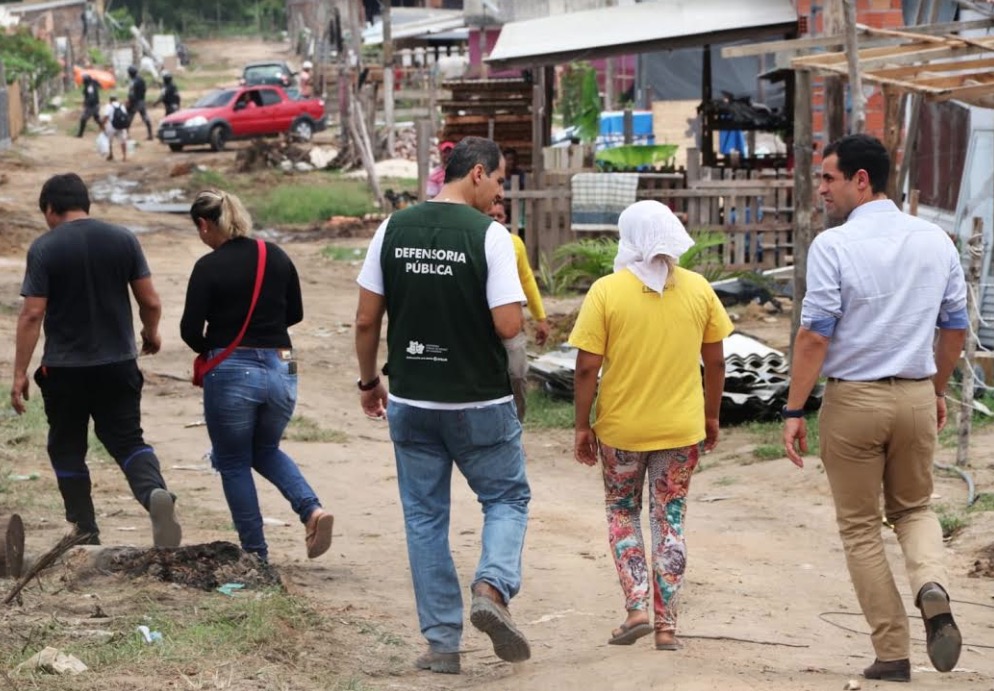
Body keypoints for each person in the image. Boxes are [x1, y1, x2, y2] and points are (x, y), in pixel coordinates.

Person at [782, 133, 966, 683]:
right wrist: (936, 388)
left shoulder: (834, 245)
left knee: (861, 529)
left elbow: (815, 335)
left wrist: (793, 412)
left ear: (862, 179)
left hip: (854, 400)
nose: (821, 189)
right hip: (914, 394)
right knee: (914, 510)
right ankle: (930, 585)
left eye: (828, 178)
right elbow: (954, 327)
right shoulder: (936, 239)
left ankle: (892, 653)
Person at [355, 136, 531, 674]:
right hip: (479, 399)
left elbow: (366, 319)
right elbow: (509, 325)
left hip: (411, 398)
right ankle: (491, 588)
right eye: (499, 180)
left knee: (425, 519)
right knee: (505, 499)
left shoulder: (392, 229)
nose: (500, 193)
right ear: (476, 173)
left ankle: (441, 645)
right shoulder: (491, 237)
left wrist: (369, 382)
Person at [570, 200, 732, 651]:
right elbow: (716, 361)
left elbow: (586, 368)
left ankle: (636, 607)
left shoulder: (606, 291)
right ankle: (666, 627)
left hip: (621, 430)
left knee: (623, 512)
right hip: (681, 431)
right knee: (670, 519)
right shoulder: (700, 289)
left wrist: (582, 426)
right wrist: (712, 415)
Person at [11, 173, 181, 548]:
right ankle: (154, 493)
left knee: (67, 445)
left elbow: (32, 315)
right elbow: (150, 301)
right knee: (127, 439)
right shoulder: (123, 239)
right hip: (118, 364)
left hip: (65, 370)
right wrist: (150, 333)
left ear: (51, 209)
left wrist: (19, 373)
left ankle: (85, 529)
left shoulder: (44, 248)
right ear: (85, 204)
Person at [180, 189, 333, 564]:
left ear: (204, 224)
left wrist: (214, 346)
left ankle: (255, 553)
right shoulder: (275, 255)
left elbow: (188, 330)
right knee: (264, 449)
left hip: (234, 369)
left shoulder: (208, 267)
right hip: (284, 363)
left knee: (232, 460)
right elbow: (294, 313)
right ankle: (312, 510)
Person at [487, 201, 549, 421]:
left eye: (500, 216)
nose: (495, 219)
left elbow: (527, 280)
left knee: (517, 374)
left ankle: (516, 426)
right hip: (479, 327)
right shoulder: (471, 241)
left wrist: (540, 317)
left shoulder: (514, 244)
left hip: (512, 326)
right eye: (490, 214)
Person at [126, 65, 153, 141]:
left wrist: (129, 102)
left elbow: (131, 93)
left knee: (129, 118)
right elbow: (145, 89)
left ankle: (126, 135)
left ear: (130, 73)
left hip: (135, 102)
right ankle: (150, 134)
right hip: (142, 101)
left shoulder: (133, 81)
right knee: (145, 117)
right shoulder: (141, 79)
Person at [102, 96, 129, 162]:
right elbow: (125, 115)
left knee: (110, 141)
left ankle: (111, 154)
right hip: (121, 126)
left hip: (111, 126)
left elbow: (106, 116)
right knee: (123, 141)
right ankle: (124, 156)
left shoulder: (108, 106)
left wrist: (102, 124)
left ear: (110, 100)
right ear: (116, 100)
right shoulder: (121, 105)